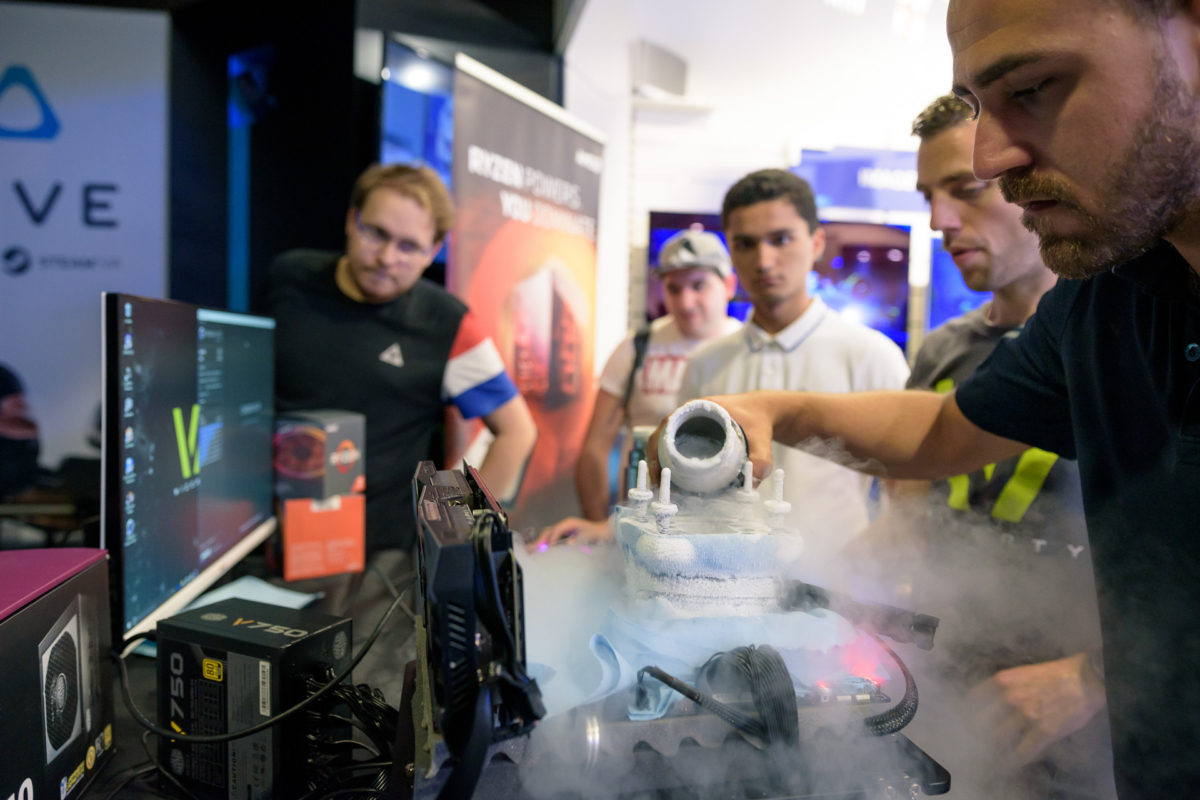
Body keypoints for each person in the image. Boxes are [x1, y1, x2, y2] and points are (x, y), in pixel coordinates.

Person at [650, 1, 1200, 794]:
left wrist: (1088, 677)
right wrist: (779, 412)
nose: (994, 154)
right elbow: (948, 428)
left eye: (1037, 87)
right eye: (979, 108)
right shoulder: (1106, 299)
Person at [894, 93, 1111, 797]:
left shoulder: (1120, 344)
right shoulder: (940, 353)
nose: (939, 221)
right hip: (949, 698)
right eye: (929, 196)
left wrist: (1090, 677)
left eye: (965, 190)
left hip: (1087, 734)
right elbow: (907, 506)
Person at [257, 164, 537, 553]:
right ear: (352, 221)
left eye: (408, 246)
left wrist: (462, 534)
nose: (387, 257)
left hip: (381, 560)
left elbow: (517, 431)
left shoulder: (447, 324)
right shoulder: (289, 279)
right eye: (376, 233)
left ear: (433, 251)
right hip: (265, 539)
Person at [676, 169, 911, 558]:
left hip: (837, 595)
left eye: (781, 239)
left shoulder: (871, 355)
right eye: (746, 243)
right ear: (730, 252)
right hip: (722, 589)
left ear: (817, 241)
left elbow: (908, 497)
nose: (764, 259)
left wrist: (866, 575)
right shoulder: (704, 365)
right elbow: (685, 484)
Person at [533, 229, 740, 549]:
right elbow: (594, 448)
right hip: (640, 533)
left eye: (699, 285)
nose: (686, 301)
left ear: (728, 285)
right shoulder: (635, 349)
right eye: (674, 288)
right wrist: (602, 525)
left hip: (724, 535)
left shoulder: (746, 353)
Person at [0, 363, 39, 499]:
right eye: (15, 403)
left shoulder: (24, 427)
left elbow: (32, 428)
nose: (21, 408)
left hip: (22, 495)